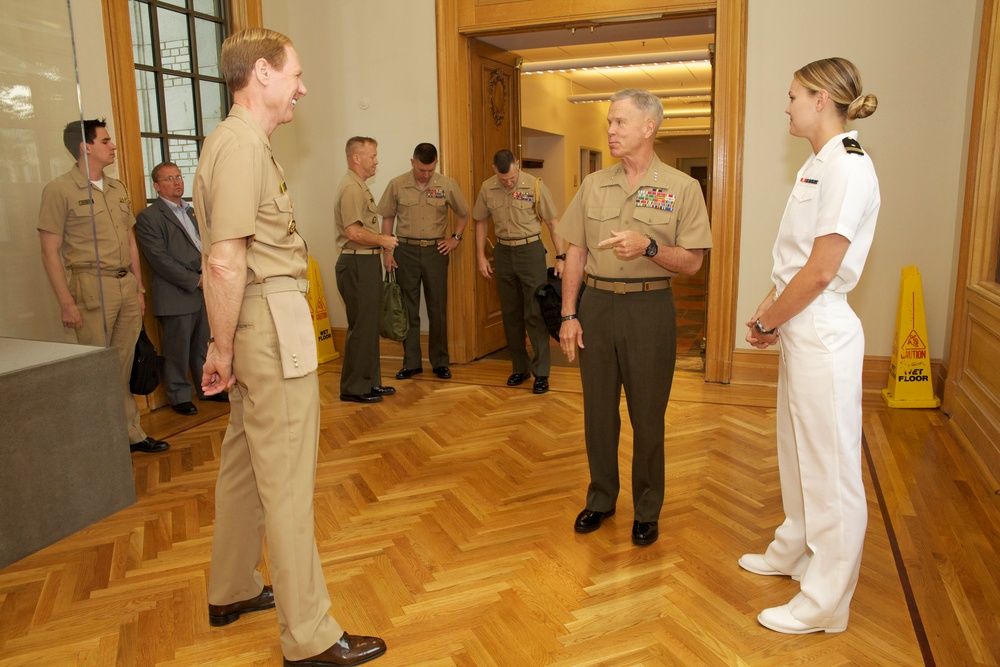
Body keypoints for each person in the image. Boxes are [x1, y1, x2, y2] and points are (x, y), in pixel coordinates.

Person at [192, 28, 386, 666]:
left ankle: (231, 588)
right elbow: (224, 263)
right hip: (266, 327)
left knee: (246, 467)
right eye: (295, 74)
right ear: (262, 75)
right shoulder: (242, 148)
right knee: (288, 482)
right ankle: (309, 637)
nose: (303, 86)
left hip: (258, 325)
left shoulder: (241, 144)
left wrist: (229, 345)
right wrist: (222, 349)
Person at [739, 57, 880, 635]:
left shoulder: (849, 166)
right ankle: (795, 549)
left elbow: (822, 271)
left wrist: (772, 318)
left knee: (831, 469)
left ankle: (826, 602)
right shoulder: (818, 164)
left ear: (821, 99)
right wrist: (768, 310)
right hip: (799, 323)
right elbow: (797, 258)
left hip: (820, 328)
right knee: (797, 452)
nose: (788, 105)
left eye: (794, 95)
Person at [558, 89, 713, 547]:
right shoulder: (593, 185)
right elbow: (575, 250)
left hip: (649, 309)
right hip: (597, 306)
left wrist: (648, 247)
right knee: (598, 413)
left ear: (649, 127)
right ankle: (602, 497)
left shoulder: (682, 188)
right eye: (610, 122)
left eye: (620, 123)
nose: (611, 131)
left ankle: (647, 508)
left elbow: (693, 262)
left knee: (648, 416)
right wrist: (569, 313)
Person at [37, 119, 170, 455]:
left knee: (123, 365)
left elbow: (129, 239)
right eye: (106, 141)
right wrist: (66, 301)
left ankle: (131, 435)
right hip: (90, 287)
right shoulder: (59, 190)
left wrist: (139, 288)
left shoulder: (118, 188)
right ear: (86, 147)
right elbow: (49, 250)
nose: (113, 146)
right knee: (96, 369)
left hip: (125, 285)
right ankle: (99, 445)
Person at [135, 161, 227, 415]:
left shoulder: (192, 212)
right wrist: (194, 279)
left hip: (204, 288)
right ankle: (179, 395)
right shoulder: (149, 217)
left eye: (178, 176)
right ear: (156, 186)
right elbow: (159, 259)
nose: (176, 182)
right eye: (168, 179)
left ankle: (206, 388)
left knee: (203, 345)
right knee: (176, 348)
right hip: (177, 291)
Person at [473, 149, 564, 394]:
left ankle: (541, 373)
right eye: (503, 179)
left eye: (511, 178)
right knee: (511, 313)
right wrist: (481, 255)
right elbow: (480, 221)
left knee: (534, 312)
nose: (508, 183)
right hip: (503, 253)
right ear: (495, 170)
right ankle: (519, 368)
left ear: (518, 165)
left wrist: (561, 256)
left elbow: (553, 222)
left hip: (531, 250)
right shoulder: (487, 188)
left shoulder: (534, 186)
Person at [378, 143, 470, 381]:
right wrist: (387, 252)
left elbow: (464, 212)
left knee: (437, 308)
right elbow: (387, 218)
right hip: (405, 251)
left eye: (430, 170)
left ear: (435, 164)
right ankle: (411, 362)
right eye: (421, 170)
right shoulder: (397, 184)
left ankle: (440, 361)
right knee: (408, 309)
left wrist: (455, 238)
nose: (426, 175)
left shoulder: (446, 185)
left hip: (435, 252)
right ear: (412, 162)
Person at [335, 137, 398, 403]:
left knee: (370, 325)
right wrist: (383, 240)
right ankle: (353, 388)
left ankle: (370, 382)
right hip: (357, 262)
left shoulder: (360, 187)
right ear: (356, 158)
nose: (376, 161)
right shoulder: (351, 188)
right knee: (361, 327)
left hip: (366, 262)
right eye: (372, 156)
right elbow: (353, 231)